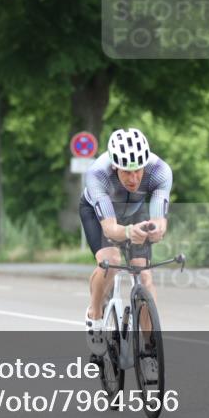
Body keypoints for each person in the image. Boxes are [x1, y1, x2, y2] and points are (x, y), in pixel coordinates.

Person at [80, 128, 172, 361]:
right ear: (114, 168)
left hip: (133, 211)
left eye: (138, 171)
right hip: (98, 214)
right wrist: (131, 232)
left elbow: (160, 218)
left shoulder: (159, 171)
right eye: (126, 173)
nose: (133, 179)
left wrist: (157, 229)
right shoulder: (98, 174)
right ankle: (95, 314)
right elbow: (110, 229)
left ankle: (150, 347)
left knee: (144, 275)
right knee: (110, 261)